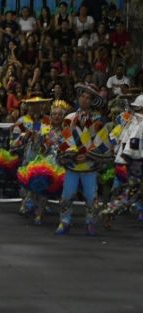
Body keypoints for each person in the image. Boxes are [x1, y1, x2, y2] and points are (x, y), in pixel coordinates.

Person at [55, 83, 111, 235]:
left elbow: (102, 143)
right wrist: (74, 154)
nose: (85, 100)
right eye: (82, 96)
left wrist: (86, 155)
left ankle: (90, 223)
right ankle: (64, 221)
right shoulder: (68, 119)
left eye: (88, 98)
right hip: (72, 164)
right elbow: (64, 142)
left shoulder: (98, 120)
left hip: (89, 165)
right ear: (78, 97)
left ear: (92, 101)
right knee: (67, 195)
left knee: (91, 196)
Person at [101, 94, 143, 225]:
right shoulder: (139, 122)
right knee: (131, 191)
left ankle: (111, 211)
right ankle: (110, 211)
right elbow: (134, 142)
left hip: (124, 161)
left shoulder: (130, 120)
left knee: (131, 191)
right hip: (134, 162)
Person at [9, 95, 52, 221]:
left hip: (44, 156)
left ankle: (41, 206)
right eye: (32, 105)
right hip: (28, 155)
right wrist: (26, 136)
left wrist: (44, 141)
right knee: (25, 181)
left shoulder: (48, 121)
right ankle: (25, 203)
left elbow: (52, 137)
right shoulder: (22, 121)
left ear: (43, 106)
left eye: (38, 105)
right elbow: (14, 141)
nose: (35, 108)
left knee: (42, 182)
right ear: (28, 106)